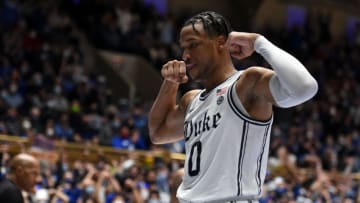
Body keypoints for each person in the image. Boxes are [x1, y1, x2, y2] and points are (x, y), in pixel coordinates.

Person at [148, 11, 318, 203]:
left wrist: (258, 43)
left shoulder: (247, 84)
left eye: (193, 45)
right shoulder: (191, 100)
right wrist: (170, 83)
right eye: (184, 48)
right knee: (179, 177)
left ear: (221, 42)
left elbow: (305, 88)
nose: (185, 56)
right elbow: (158, 132)